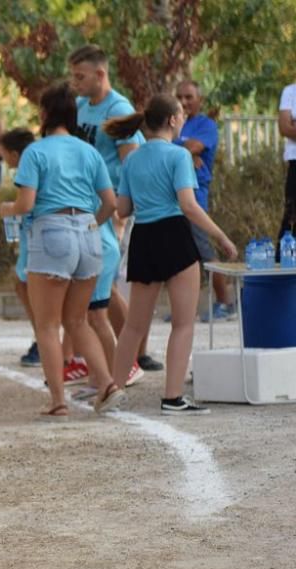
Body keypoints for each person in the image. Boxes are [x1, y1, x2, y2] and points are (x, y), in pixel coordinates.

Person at [106, 94, 238, 414]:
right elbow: (189, 206)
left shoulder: (132, 159)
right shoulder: (178, 156)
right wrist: (221, 236)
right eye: (180, 116)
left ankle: (113, 390)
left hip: (144, 237)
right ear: (172, 121)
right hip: (174, 236)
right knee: (183, 323)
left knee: (134, 326)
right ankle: (172, 397)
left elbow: (122, 209)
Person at [0, 82, 124, 417]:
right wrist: (92, 225)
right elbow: (110, 203)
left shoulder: (35, 152)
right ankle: (107, 383)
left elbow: (25, 204)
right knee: (78, 320)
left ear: (44, 114)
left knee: (47, 325)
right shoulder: (89, 151)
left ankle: (57, 401)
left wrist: (7, 209)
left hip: (51, 233)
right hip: (87, 233)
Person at [69, 44, 157, 378]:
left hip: (110, 209)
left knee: (104, 289)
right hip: (87, 205)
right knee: (104, 288)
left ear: (100, 74)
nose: (75, 82)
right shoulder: (79, 107)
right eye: (73, 76)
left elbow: (131, 162)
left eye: (81, 76)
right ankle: (127, 355)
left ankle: (131, 355)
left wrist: (121, 211)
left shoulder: (118, 108)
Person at [174, 80, 233, 322]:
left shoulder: (206, 125)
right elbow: (162, 143)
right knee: (180, 255)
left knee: (204, 250)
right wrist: (183, 150)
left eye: (189, 97)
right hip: (174, 196)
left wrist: (179, 147)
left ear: (200, 100)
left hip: (195, 196)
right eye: (179, 97)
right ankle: (185, 309)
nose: (184, 102)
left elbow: (196, 146)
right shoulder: (175, 123)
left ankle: (225, 303)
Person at [0, 128, 40, 367]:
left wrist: (8, 209)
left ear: (14, 154)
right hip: (35, 237)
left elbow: (25, 204)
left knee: (27, 286)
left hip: (37, 238)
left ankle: (41, 342)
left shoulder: (30, 163)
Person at [277, 81, 296, 256]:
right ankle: (281, 268)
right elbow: (284, 127)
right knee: (291, 217)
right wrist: (290, 125)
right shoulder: (290, 91)